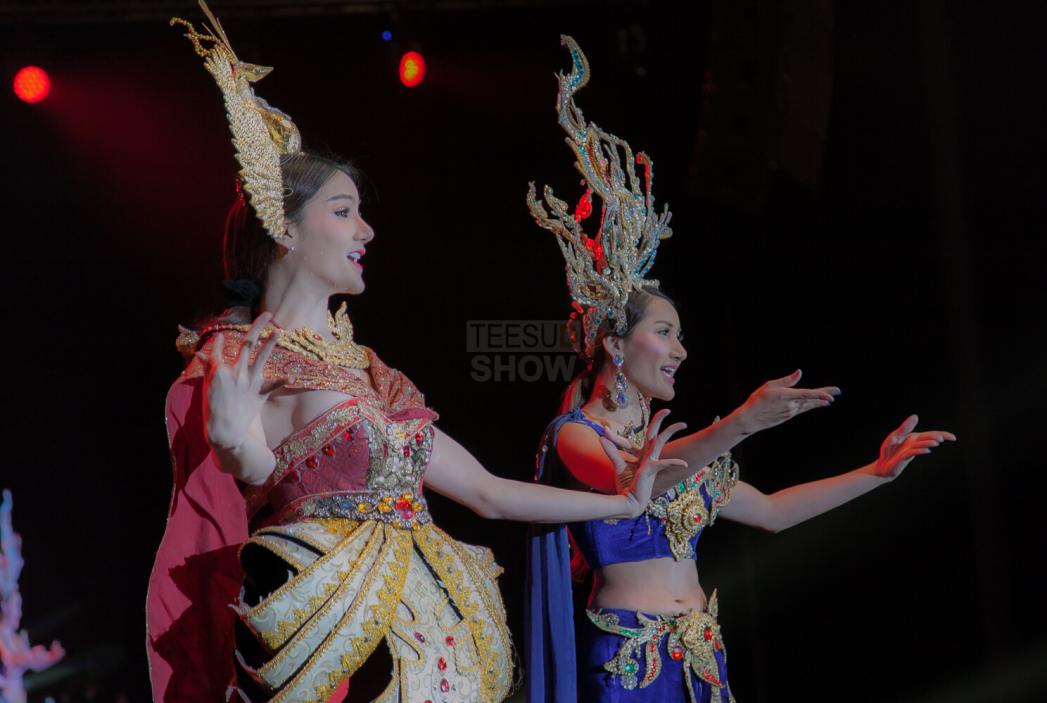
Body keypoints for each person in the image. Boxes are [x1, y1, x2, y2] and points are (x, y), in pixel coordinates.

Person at [146, 7, 688, 702]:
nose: (366, 230)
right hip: (323, 640)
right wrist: (229, 441)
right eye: (343, 211)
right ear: (284, 228)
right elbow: (251, 469)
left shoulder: (371, 372)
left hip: (423, 643)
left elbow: (487, 492)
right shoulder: (240, 357)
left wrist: (623, 501)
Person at [525, 36, 956, 703]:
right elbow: (636, 481)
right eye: (664, 333)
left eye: (681, 336)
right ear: (615, 344)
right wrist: (742, 423)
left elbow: (772, 512)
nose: (680, 351)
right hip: (628, 665)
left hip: (701, 660)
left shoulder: (685, 447)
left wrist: (874, 473)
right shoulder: (576, 437)